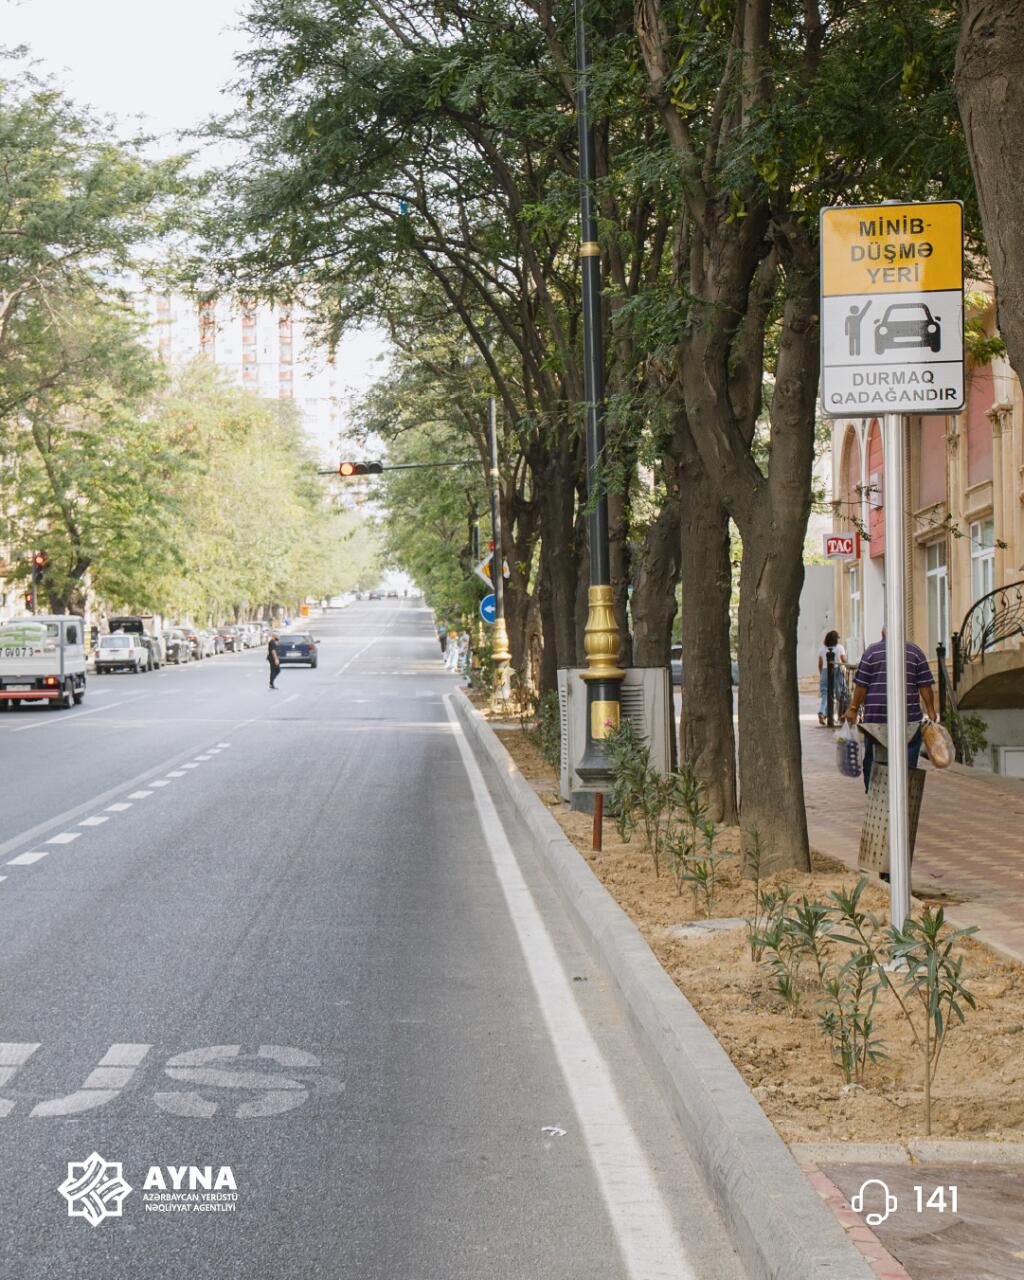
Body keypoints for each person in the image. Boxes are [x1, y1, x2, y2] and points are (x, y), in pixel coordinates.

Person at [844, 627, 938, 792]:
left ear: (882, 634)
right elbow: (925, 686)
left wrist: (853, 708)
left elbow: (861, 686)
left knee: (874, 764)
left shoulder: (871, 653)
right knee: (907, 767)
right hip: (909, 720)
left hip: (876, 721)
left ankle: (875, 793)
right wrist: (931, 710)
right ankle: (904, 796)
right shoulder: (916, 652)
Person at [817, 629, 848, 726]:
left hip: (824, 672)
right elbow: (844, 660)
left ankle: (822, 713)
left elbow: (820, 664)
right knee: (839, 694)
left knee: (825, 694)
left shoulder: (822, 649)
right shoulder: (839, 648)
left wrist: (822, 674)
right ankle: (840, 716)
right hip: (835, 671)